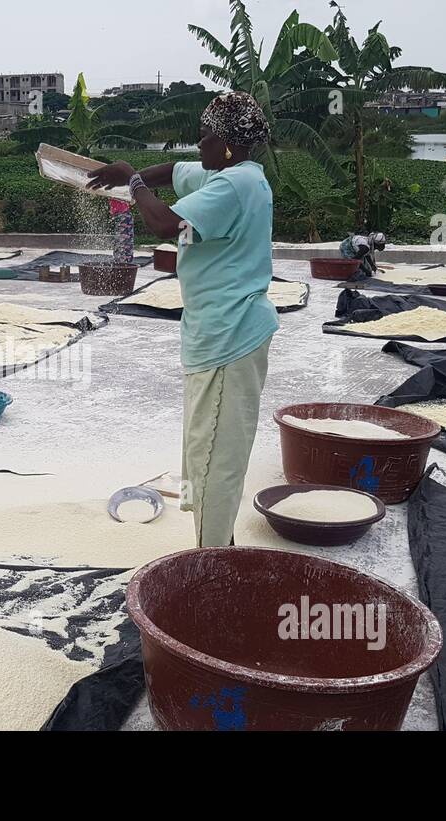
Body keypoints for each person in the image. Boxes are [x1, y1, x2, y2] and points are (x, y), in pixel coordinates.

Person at [88, 91, 276, 548]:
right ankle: (218, 547)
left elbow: (164, 224)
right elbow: (173, 172)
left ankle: (214, 565)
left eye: (205, 138)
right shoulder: (232, 173)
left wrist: (131, 183)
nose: (199, 147)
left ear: (227, 143)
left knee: (216, 458)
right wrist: (124, 177)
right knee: (203, 450)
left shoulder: (233, 187)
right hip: (215, 333)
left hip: (231, 335)